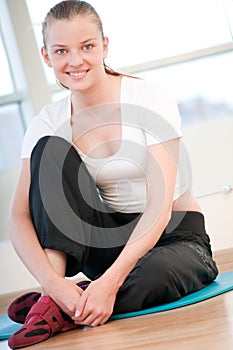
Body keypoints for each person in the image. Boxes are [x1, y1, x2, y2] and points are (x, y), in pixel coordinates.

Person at [7, 0, 218, 348]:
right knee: (48, 150)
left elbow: (159, 208)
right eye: (61, 51)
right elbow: (19, 217)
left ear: (105, 45)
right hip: (107, 240)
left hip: (175, 237)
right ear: (47, 57)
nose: (75, 61)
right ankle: (60, 297)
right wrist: (54, 283)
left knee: (154, 276)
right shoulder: (47, 120)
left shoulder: (150, 98)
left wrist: (109, 282)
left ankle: (64, 307)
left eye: (87, 46)